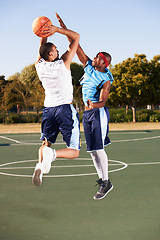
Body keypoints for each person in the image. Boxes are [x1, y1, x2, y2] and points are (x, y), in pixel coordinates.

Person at [56, 13, 114, 200]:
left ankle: (106, 182)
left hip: (98, 112)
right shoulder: (89, 66)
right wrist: (62, 26)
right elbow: (76, 45)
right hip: (88, 113)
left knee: (98, 149)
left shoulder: (106, 79)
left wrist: (93, 104)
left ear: (103, 62)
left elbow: (103, 101)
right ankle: (103, 179)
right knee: (92, 151)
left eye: (97, 57)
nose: (94, 57)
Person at [32, 15, 80, 186]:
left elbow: (41, 48)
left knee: (46, 143)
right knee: (74, 151)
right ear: (51, 54)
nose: (59, 51)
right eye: (56, 50)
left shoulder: (39, 65)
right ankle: (52, 155)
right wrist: (57, 29)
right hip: (64, 110)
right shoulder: (64, 63)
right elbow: (76, 37)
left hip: (49, 110)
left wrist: (44, 32)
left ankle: (39, 166)